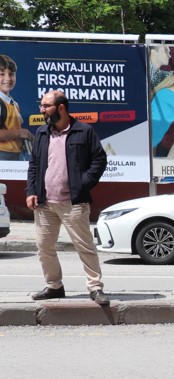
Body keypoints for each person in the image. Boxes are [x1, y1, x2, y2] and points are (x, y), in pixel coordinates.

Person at [26, 90, 109, 305]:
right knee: (44, 248)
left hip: (74, 203)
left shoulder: (84, 131)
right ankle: (54, 286)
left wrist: (83, 184)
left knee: (85, 247)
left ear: (61, 107)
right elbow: (34, 165)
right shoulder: (42, 133)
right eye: (42, 105)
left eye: (46, 106)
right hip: (45, 204)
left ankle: (95, 287)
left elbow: (99, 160)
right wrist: (31, 191)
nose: (41, 110)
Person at [0, 54, 31, 161]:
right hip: (3, 153)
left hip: (15, 153)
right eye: (1, 74)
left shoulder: (14, 104)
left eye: (11, 74)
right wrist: (19, 133)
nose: (8, 78)